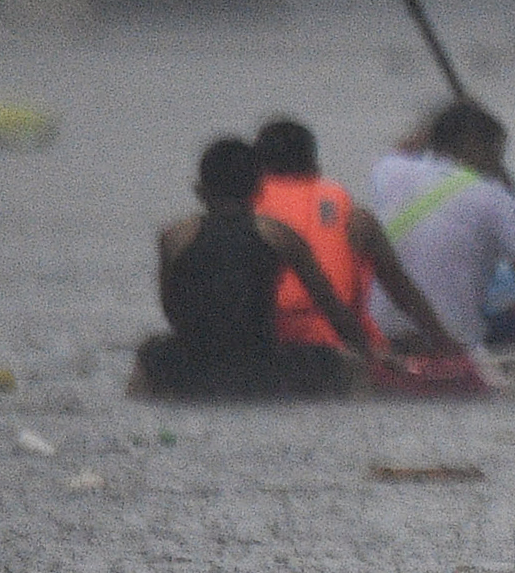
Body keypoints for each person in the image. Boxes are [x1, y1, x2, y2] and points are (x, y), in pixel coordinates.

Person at [133, 136, 361, 398]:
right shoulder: (278, 235)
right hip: (262, 365)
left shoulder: (174, 237)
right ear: (259, 189)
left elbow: (172, 310)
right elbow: (331, 307)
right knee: (349, 365)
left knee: (147, 358)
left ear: (200, 189)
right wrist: (367, 351)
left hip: (195, 365)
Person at [364, 99, 515, 352]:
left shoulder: (388, 170)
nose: (498, 164)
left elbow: (409, 143)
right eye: (496, 152)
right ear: (474, 145)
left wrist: (451, 117)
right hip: (454, 343)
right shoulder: (497, 198)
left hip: (379, 335)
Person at [250, 115, 460, 363]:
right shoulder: (355, 219)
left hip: (268, 348)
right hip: (345, 349)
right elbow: (402, 291)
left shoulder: (243, 214)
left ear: (256, 168)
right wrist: (449, 347)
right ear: (313, 163)